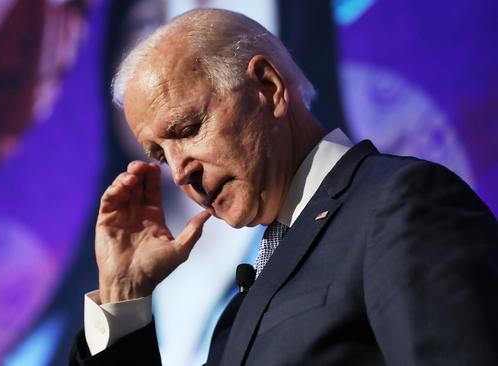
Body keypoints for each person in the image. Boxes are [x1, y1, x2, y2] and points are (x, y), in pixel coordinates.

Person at [69, 8, 498, 365]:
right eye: (160, 155)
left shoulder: (398, 205)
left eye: (188, 128)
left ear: (269, 89)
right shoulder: (239, 310)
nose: (180, 172)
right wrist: (124, 295)